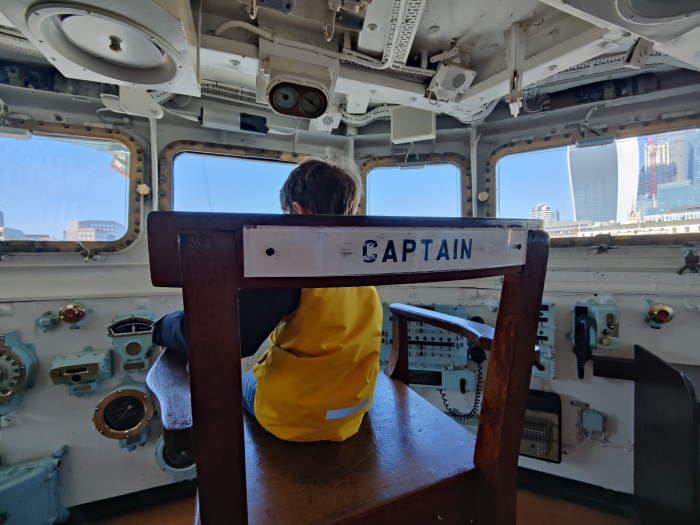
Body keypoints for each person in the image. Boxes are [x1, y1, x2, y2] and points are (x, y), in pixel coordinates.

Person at [152, 159, 383, 442]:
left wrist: (162, 328)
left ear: (297, 211)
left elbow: (225, 337)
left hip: (298, 417)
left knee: (235, 383)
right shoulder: (360, 265)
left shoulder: (294, 264)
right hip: (354, 407)